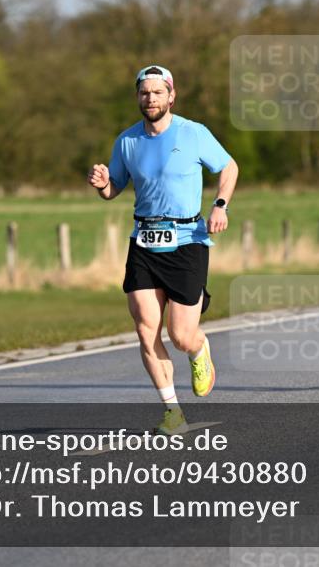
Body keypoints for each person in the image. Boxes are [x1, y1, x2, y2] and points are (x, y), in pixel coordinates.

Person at [88, 65, 239, 433]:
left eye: (157, 92)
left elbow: (229, 167)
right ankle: (172, 411)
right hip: (144, 241)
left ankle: (199, 348)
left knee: (181, 336)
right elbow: (114, 191)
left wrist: (220, 205)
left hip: (187, 241)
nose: (150, 98)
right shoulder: (127, 141)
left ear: (171, 96)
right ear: (138, 97)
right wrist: (103, 184)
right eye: (144, 93)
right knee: (145, 329)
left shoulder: (193, 133)